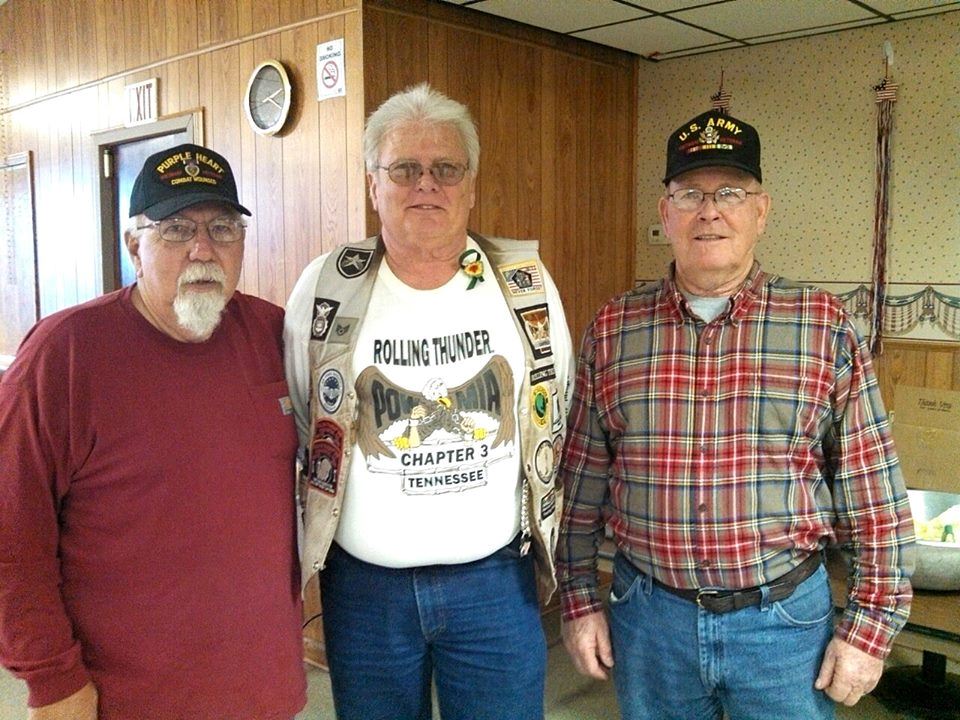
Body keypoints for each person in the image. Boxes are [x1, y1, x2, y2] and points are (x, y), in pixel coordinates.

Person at [557, 109, 915, 720]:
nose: (710, 210)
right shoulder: (613, 328)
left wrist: (868, 630)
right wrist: (579, 600)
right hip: (648, 620)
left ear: (761, 210)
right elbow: (580, 486)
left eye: (730, 193)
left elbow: (873, 494)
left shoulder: (821, 327)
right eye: (690, 193)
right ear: (665, 211)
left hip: (784, 624)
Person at [284, 83, 573, 720]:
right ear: (372, 184)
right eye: (405, 169)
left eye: (446, 169)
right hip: (365, 592)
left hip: (495, 586)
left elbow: (559, 403)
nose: (427, 185)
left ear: (470, 184)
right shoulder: (327, 285)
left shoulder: (523, 286)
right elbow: (310, 417)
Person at [0, 143, 307, 719]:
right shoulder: (64, 354)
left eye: (223, 228)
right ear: (133, 245)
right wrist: (53, 680)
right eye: (174, 230)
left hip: (263, 690)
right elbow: (11, 532)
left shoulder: (273, 335)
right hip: (126, 700)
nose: (202, 250)